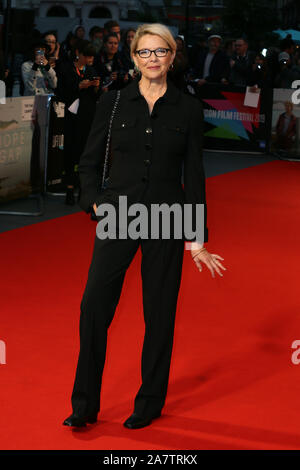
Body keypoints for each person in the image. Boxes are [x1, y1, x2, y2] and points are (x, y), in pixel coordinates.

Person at [63, 22, 226, 430]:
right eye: (144, 52)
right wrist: (92, 202)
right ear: (134, 58)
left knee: (159, 314)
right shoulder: (114, 103)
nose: (152, 59)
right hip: (117, 216)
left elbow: (195, 174)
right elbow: (88, 160)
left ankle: (149, 401)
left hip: (168, 218)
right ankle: (83, 404)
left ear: (172, 56)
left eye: (161, 52)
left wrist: (197, 240)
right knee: (94, 308)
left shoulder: (188, 108)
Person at [56, 39, 100, 205]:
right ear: (78, 54)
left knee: (85, 152)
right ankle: (69, 188)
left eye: (92, 57)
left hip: (88, 115)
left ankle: (83, 188)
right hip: (71, 116)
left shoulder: (91, 70)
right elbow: (60, 92)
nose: (89, 60)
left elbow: (95, 96)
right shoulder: (66, 69)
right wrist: (78, 87)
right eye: (87, 56)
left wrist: (96, 87)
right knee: (71, 151)